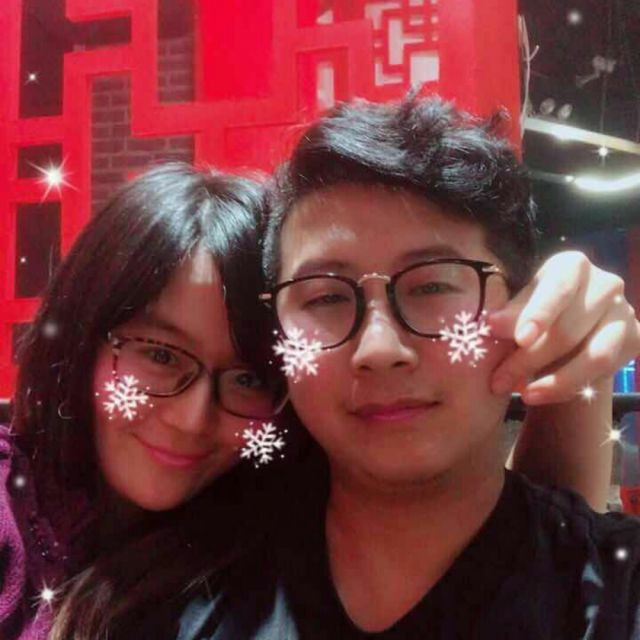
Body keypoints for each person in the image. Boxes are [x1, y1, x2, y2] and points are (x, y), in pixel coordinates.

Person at [175, 94, 640, 639]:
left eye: (434, 286)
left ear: (523, 301)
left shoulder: (615, 593)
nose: (379, 348)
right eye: (325, 297)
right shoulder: (190, 597)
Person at [0, 163, 287, 640]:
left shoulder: (268, 562)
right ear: (81, 341)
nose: (191, 420)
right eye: (160, 355)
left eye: (248, 379)